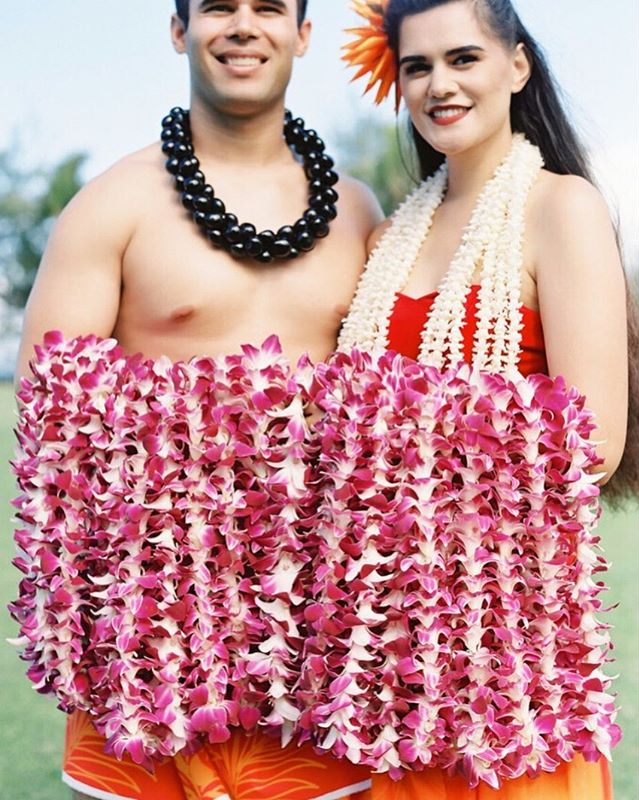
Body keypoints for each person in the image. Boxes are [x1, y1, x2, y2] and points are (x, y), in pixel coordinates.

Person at [16, 1, 382, 798]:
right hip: (149, 665)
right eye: (219, 7)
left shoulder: (358, 212)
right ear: (179, 31)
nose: (243, 26)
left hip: (312, 665)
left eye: (268, 8)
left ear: (303, 35)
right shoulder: (112, 204)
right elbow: (52, 418)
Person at [337, 0, 639, 797]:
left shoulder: (560, 207)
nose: (440, 84)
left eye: (463, 58)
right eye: (417, 67)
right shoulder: (386, 239)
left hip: (512, 655)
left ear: (517, 65)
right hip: (388, 662)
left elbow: (594, 441)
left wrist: (398, 447)